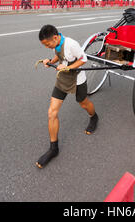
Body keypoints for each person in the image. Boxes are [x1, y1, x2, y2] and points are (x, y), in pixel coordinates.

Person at [36, 24, 98, 169]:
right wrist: (50, 62)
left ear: (55, 37)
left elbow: (83, 59)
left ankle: (94, 117)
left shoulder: (72, 44)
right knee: (52, 113)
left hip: (77, 79)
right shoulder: (56, 44)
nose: (47, 47)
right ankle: (53, 148)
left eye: (47, 44)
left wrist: (68, 67)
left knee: (83, 103)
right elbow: (59, 54)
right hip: (62, 78)